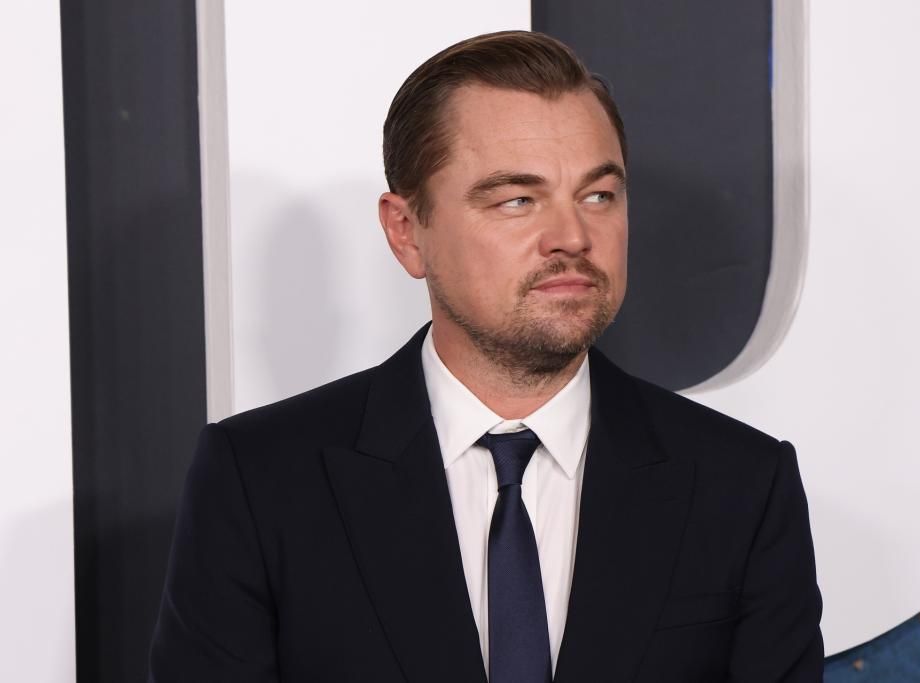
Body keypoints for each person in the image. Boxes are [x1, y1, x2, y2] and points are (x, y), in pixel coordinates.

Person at [149, 30, 823, 682]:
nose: (572, 236)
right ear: (407, 232)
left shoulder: (742, 486)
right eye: (517, 200)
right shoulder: (260, 482)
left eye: (598, 195)